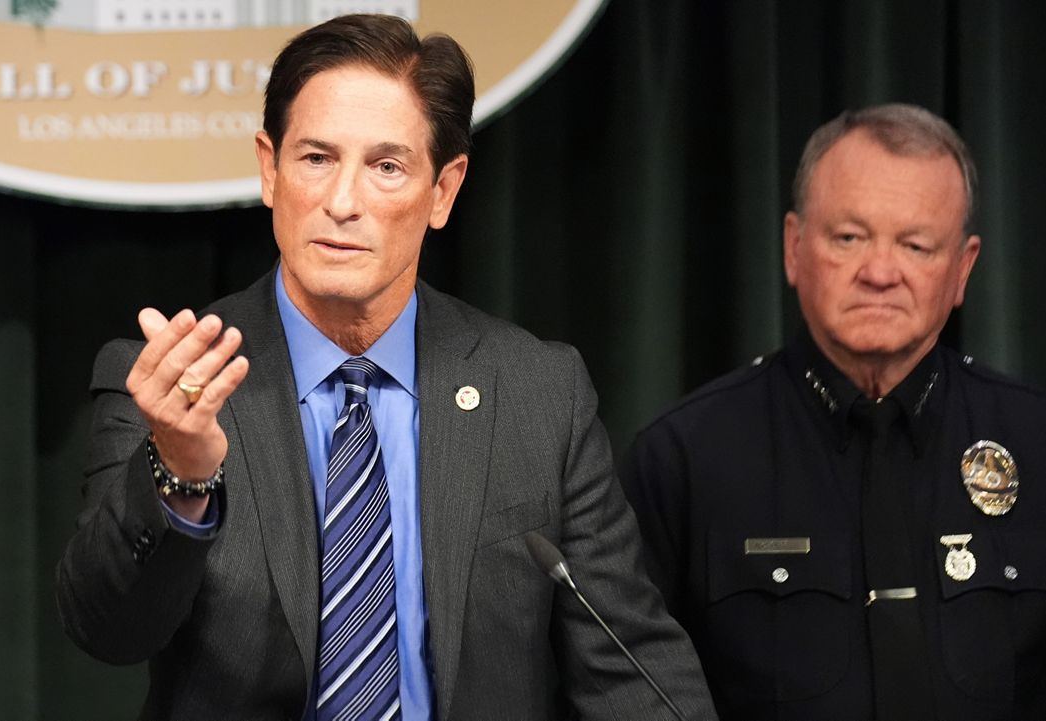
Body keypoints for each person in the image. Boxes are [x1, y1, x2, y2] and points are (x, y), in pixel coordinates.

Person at [56, 14, 715, 721]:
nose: (343, 203)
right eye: (315, 158)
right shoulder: (173, 379)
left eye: (386, 166)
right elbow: (107, 627)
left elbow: (630, 669)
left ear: (443, 190)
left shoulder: (536, 393)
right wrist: (180, 473)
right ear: (268, 168)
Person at [619, 104, 1046, 720]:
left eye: (915, 245)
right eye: (849, 238)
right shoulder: (684, 458)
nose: (880, 273)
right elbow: (624, 688)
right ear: (794, 248)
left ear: (963, 269)